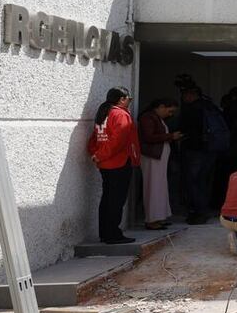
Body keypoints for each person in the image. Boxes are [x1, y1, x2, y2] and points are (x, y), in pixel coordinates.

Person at [87, 87, 140, 245]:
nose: (129, 102)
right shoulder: (120, 114)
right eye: (128, 99)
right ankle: (113, 234)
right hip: (119, 162)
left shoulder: (103, 112)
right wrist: (100, 154)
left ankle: (105, 233)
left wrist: (96, 155)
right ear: (121, 99)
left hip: (105, 163)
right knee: (116, 200)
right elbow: (118, 141)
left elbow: (95, 139)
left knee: (107, 199)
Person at [178, 82, 228, 225]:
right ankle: (203, 210)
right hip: (211, 149)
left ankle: (198, 212)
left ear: (191, 95)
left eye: (185, 95)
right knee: (203, 181)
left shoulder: (192, 109)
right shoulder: (211, 107)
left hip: (195, 150)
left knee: (193, 182)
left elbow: (185, 128)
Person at [138, 98, 182, 230]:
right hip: (152, 156)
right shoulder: (148, 117)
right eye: (169, 111)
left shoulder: (155, 118)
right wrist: (170, 136)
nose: (170, 114)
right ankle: (152, 219)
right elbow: (148, 137)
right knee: (153, 187)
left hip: (158, 157)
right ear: (161, 106)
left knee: (159, 187)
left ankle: (158, 217)